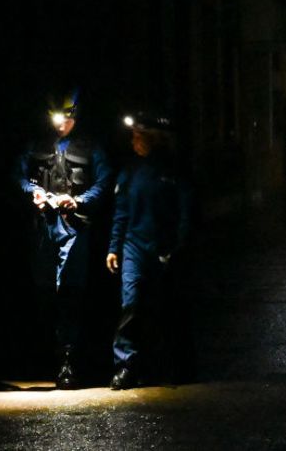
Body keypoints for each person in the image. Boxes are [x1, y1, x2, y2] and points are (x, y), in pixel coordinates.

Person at [16, 89, 111, 388]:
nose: (60, 125)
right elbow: (17, 175)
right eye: (56, 118)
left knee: (70, 292)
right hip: (43, 227)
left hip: (74, 228)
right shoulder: (36, 145)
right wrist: (32, 192)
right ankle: (49, 356)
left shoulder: (90, 147)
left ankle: (69, 362)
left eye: (66, 119)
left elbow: (105, 181)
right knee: (44, 292)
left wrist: (78, 201)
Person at [106, 111, 192, 390]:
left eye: (138, 136)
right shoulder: (129, 171)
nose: (133, 141)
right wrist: (114, 247)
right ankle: (127, 364)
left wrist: (179, 245)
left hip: (163, 247)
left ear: (153, 139)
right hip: (134, 247)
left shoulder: (173, 170)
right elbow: (121, 212)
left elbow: (185, 212)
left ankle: (171, 364)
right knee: (130, 304)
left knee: (166, 305)